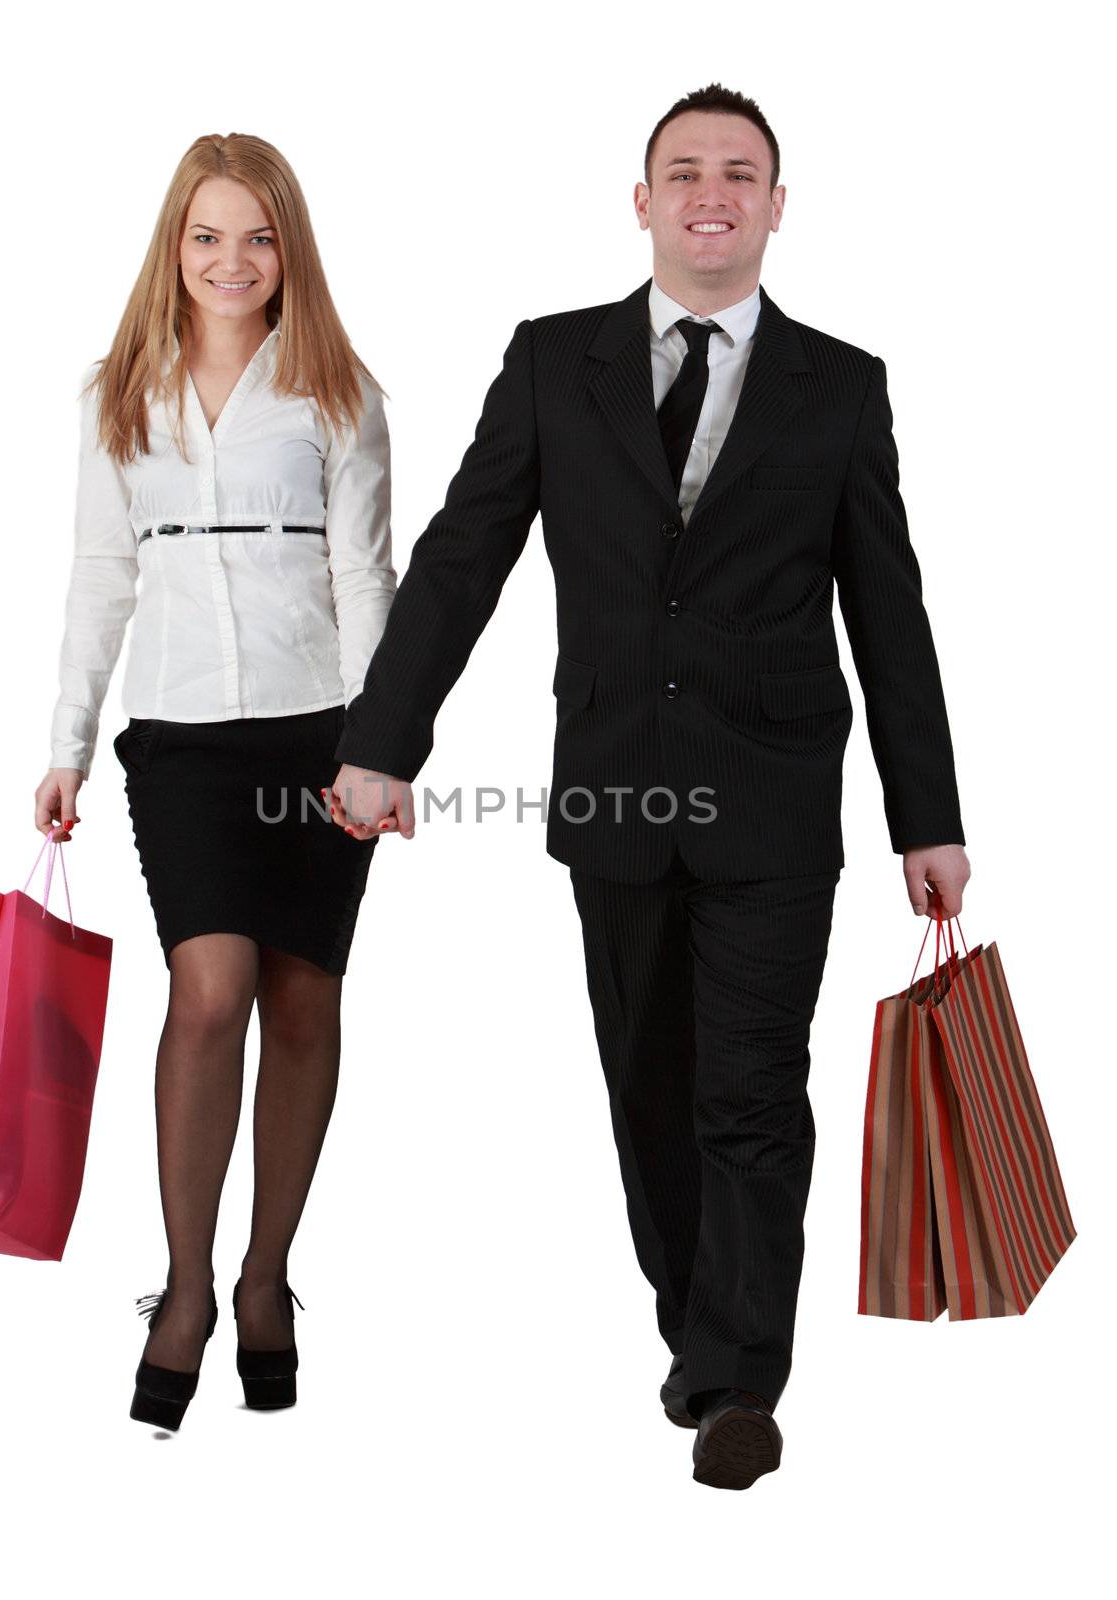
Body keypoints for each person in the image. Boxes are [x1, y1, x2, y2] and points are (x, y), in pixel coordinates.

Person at [327, 83, 971, 1489]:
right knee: (651, 1089)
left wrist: (929, 817)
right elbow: (463, 556)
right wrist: (384, 737)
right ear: (644, 202)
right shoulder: (558, 363)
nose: (711, 193)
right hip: (616, 790)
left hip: (777, 795)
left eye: (741, 172)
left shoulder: (840, 386)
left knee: (749, 1085)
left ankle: (743, 1379)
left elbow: (891, 613)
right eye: (684, 170)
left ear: (776, 207)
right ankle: (697, 1324)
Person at [34, 133, 397, 1432]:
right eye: (206, 236)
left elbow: (365, 574)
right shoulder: (115, 392)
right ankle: (184, 1287)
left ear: (287, 248)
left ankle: (265, 1281)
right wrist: (67, 742)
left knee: (303, 1000)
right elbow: (98, 575)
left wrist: (382, 743)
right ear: (172, 249)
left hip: (320, 737)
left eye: (256, 236)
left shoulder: (339, 395)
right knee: (211, 989)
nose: (231, 261)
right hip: (181, 736)